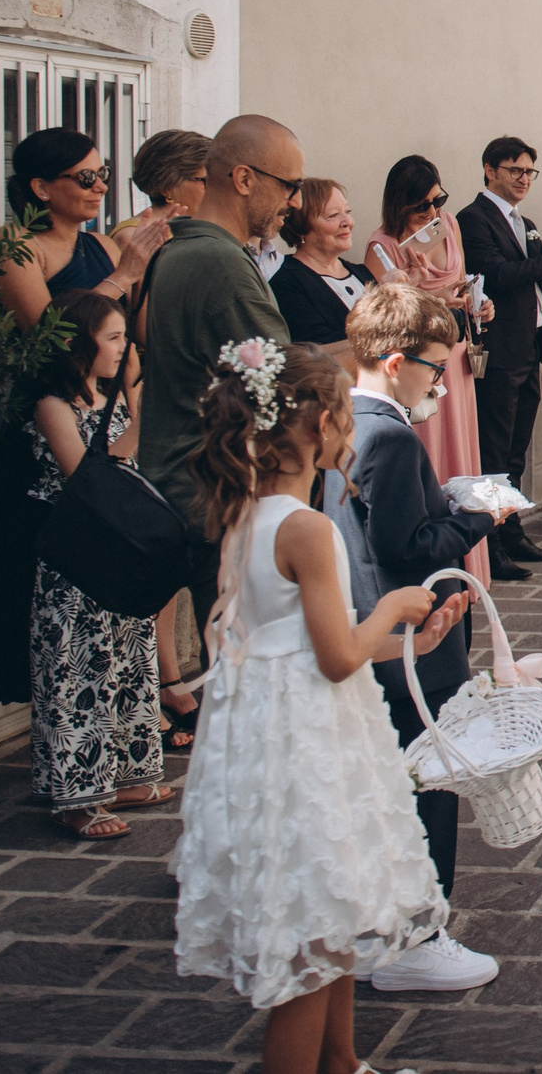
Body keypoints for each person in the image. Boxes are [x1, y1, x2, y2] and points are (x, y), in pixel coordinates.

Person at [168, 338, 468, 1071]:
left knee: (329, 920)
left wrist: (415, 643)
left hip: (288, 728)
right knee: (311, 937)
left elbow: (309, 641)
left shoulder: (246, 517)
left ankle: (344, 1060)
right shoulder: (307, 528)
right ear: (314, 427)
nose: (350, 431)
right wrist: (397, 603)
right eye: (341, 414)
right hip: (309, 736)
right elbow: (337, 651)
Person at [344, 282, 509, 994]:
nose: (441, 381)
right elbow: (406, 547)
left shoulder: (344, 422)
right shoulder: (387, 433)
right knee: (427, 784)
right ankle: (420, 933)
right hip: (411, 639)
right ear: (392, 361)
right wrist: (476, 514)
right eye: (433, 367)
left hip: (376, 636)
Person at [135, 114, 301, 744]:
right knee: (247, 691)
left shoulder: (183, 249)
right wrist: (383, 344)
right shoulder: (218, 263)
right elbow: (282, 380)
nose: (293, 201)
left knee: (233, 685)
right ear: (242, 178)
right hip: (217, 499)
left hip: (192, 490)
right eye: (289, 184)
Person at [25, 289, 169, 839]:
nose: (121, 348)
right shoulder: (52, 405)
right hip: (77, 557)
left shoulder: (105, 397)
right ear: (76, 341)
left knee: (127, 663)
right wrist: (144, 414)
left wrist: (135, 394)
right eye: (111, 338)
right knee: (78, 670)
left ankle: (129, 773)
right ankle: (76, 797)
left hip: (119, 551)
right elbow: (87, 475)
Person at [368, 157, 519, 578]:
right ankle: (437, 558)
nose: (432, 213)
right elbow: (392, 313)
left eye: (439, 200)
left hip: (456, 353)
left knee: (463, 445)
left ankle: (474, 562)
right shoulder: (381, 246)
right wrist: (431, 299)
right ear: (401, 205)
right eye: (422, 207)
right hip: (419, 364)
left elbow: (463, 279)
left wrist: (477, 304)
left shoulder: (449, 225)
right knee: (432, 447)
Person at [456, 138, 542, 555]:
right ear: (490, 170)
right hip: (499, 348)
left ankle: (511, 532)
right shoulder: (473, 219)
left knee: (516, 449)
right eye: (515, 170)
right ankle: (490, 545)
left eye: (529, 172)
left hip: (529, 348)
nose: (524, 179)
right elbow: (497, 274)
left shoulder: (521, 220)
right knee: (494, 447)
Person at [0, 127, 168, 327]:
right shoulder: (17, 244)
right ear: (42, 188)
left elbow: (143, 333)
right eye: (87, 178)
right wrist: (122, 277)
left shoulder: (103, 245)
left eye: (103, 174)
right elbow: (47, 334)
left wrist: (142, 263)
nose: (102, 187)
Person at [269, 178, 375, 347]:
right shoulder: (286, 284)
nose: (347, 222)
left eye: (348, 211)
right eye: (333, 215)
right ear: (301, 227)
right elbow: (316, 350)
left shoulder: (360, 272)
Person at [113, 128, 210, 240]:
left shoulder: (188, 229)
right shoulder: (136, 237)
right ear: (168, 187)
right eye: (206, 181)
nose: (215, 189)